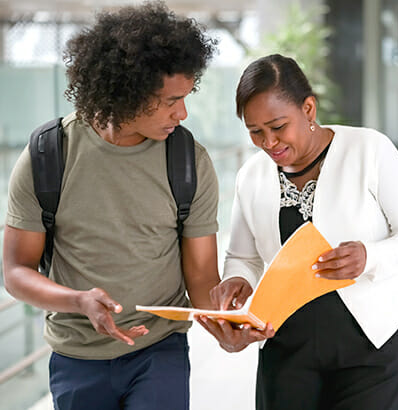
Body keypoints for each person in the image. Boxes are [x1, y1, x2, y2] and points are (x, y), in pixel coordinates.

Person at [2, 3, 220, 409]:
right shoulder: (48, 155)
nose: (183, 112)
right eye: (170, 100)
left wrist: (226, 321)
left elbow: (204, 275)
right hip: (76, 356)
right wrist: (78, 301)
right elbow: (15, 272)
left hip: (160, 350)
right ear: (127, 91)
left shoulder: (189, 161)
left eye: (186, 97)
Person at [195, 54, 398, 409]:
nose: (269, 142)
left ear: (309, 108)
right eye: (255, 132)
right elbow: (243, 256)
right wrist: (237, 280)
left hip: (372, 346)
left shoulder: (368, 149)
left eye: (278, 127)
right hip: (287, 347)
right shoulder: (252, 176)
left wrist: (370, 257)